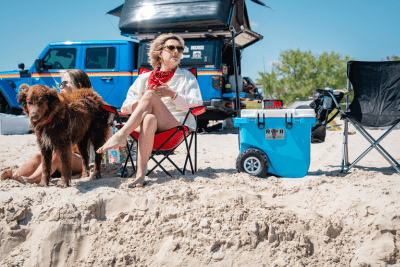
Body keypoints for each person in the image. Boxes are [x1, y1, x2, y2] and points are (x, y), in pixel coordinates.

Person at [97, 33, 203, 188]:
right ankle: (140, 176)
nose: (176, 52)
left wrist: (172, 94)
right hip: (146, 124)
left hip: (174, 126)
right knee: (148, 117)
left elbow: (197, 104)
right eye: (171, 47)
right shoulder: (144, 78)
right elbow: (126, 105)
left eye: (180, 49)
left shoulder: (187, 77)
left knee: (150, 94)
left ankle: (121, 135)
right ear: (159, 52)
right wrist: (142, 104)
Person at [0, 69, 92, 184]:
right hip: (60, 159)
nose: (60, 87)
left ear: (79, 86)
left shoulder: (88, 107)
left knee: (58, 152)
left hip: (79, 160)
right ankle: (15, 177)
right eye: (59, 83)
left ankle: (30, 180)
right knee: (38, 156)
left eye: (63, 84)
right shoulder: (60, 107)